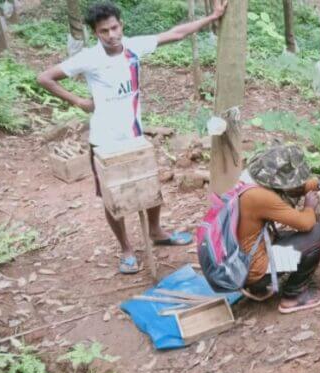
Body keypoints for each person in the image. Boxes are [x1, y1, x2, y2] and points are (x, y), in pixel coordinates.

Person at [36, 1, 226, 274]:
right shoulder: (89, 58)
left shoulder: (134, 47)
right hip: (104, 142)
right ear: (95, 33)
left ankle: (157, 232)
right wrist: (77, 100)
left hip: (135, 136)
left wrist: (213, 16)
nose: (111, 35)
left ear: (121, 25)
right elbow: (45, 78)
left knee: (150, 186)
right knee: (113, 198)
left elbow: (176, 34)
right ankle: (125, 248)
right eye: (104, 31)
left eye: (114, 28)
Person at [237, 145, 320, 314]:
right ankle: (294, 296)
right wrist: (309, 207)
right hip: (253, 272)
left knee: (295, 237)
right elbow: (305, 223)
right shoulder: (259, 196)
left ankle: (257, 287)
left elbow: (291, 188)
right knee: (318, 234)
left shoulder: (250, 180)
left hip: (243, 261)